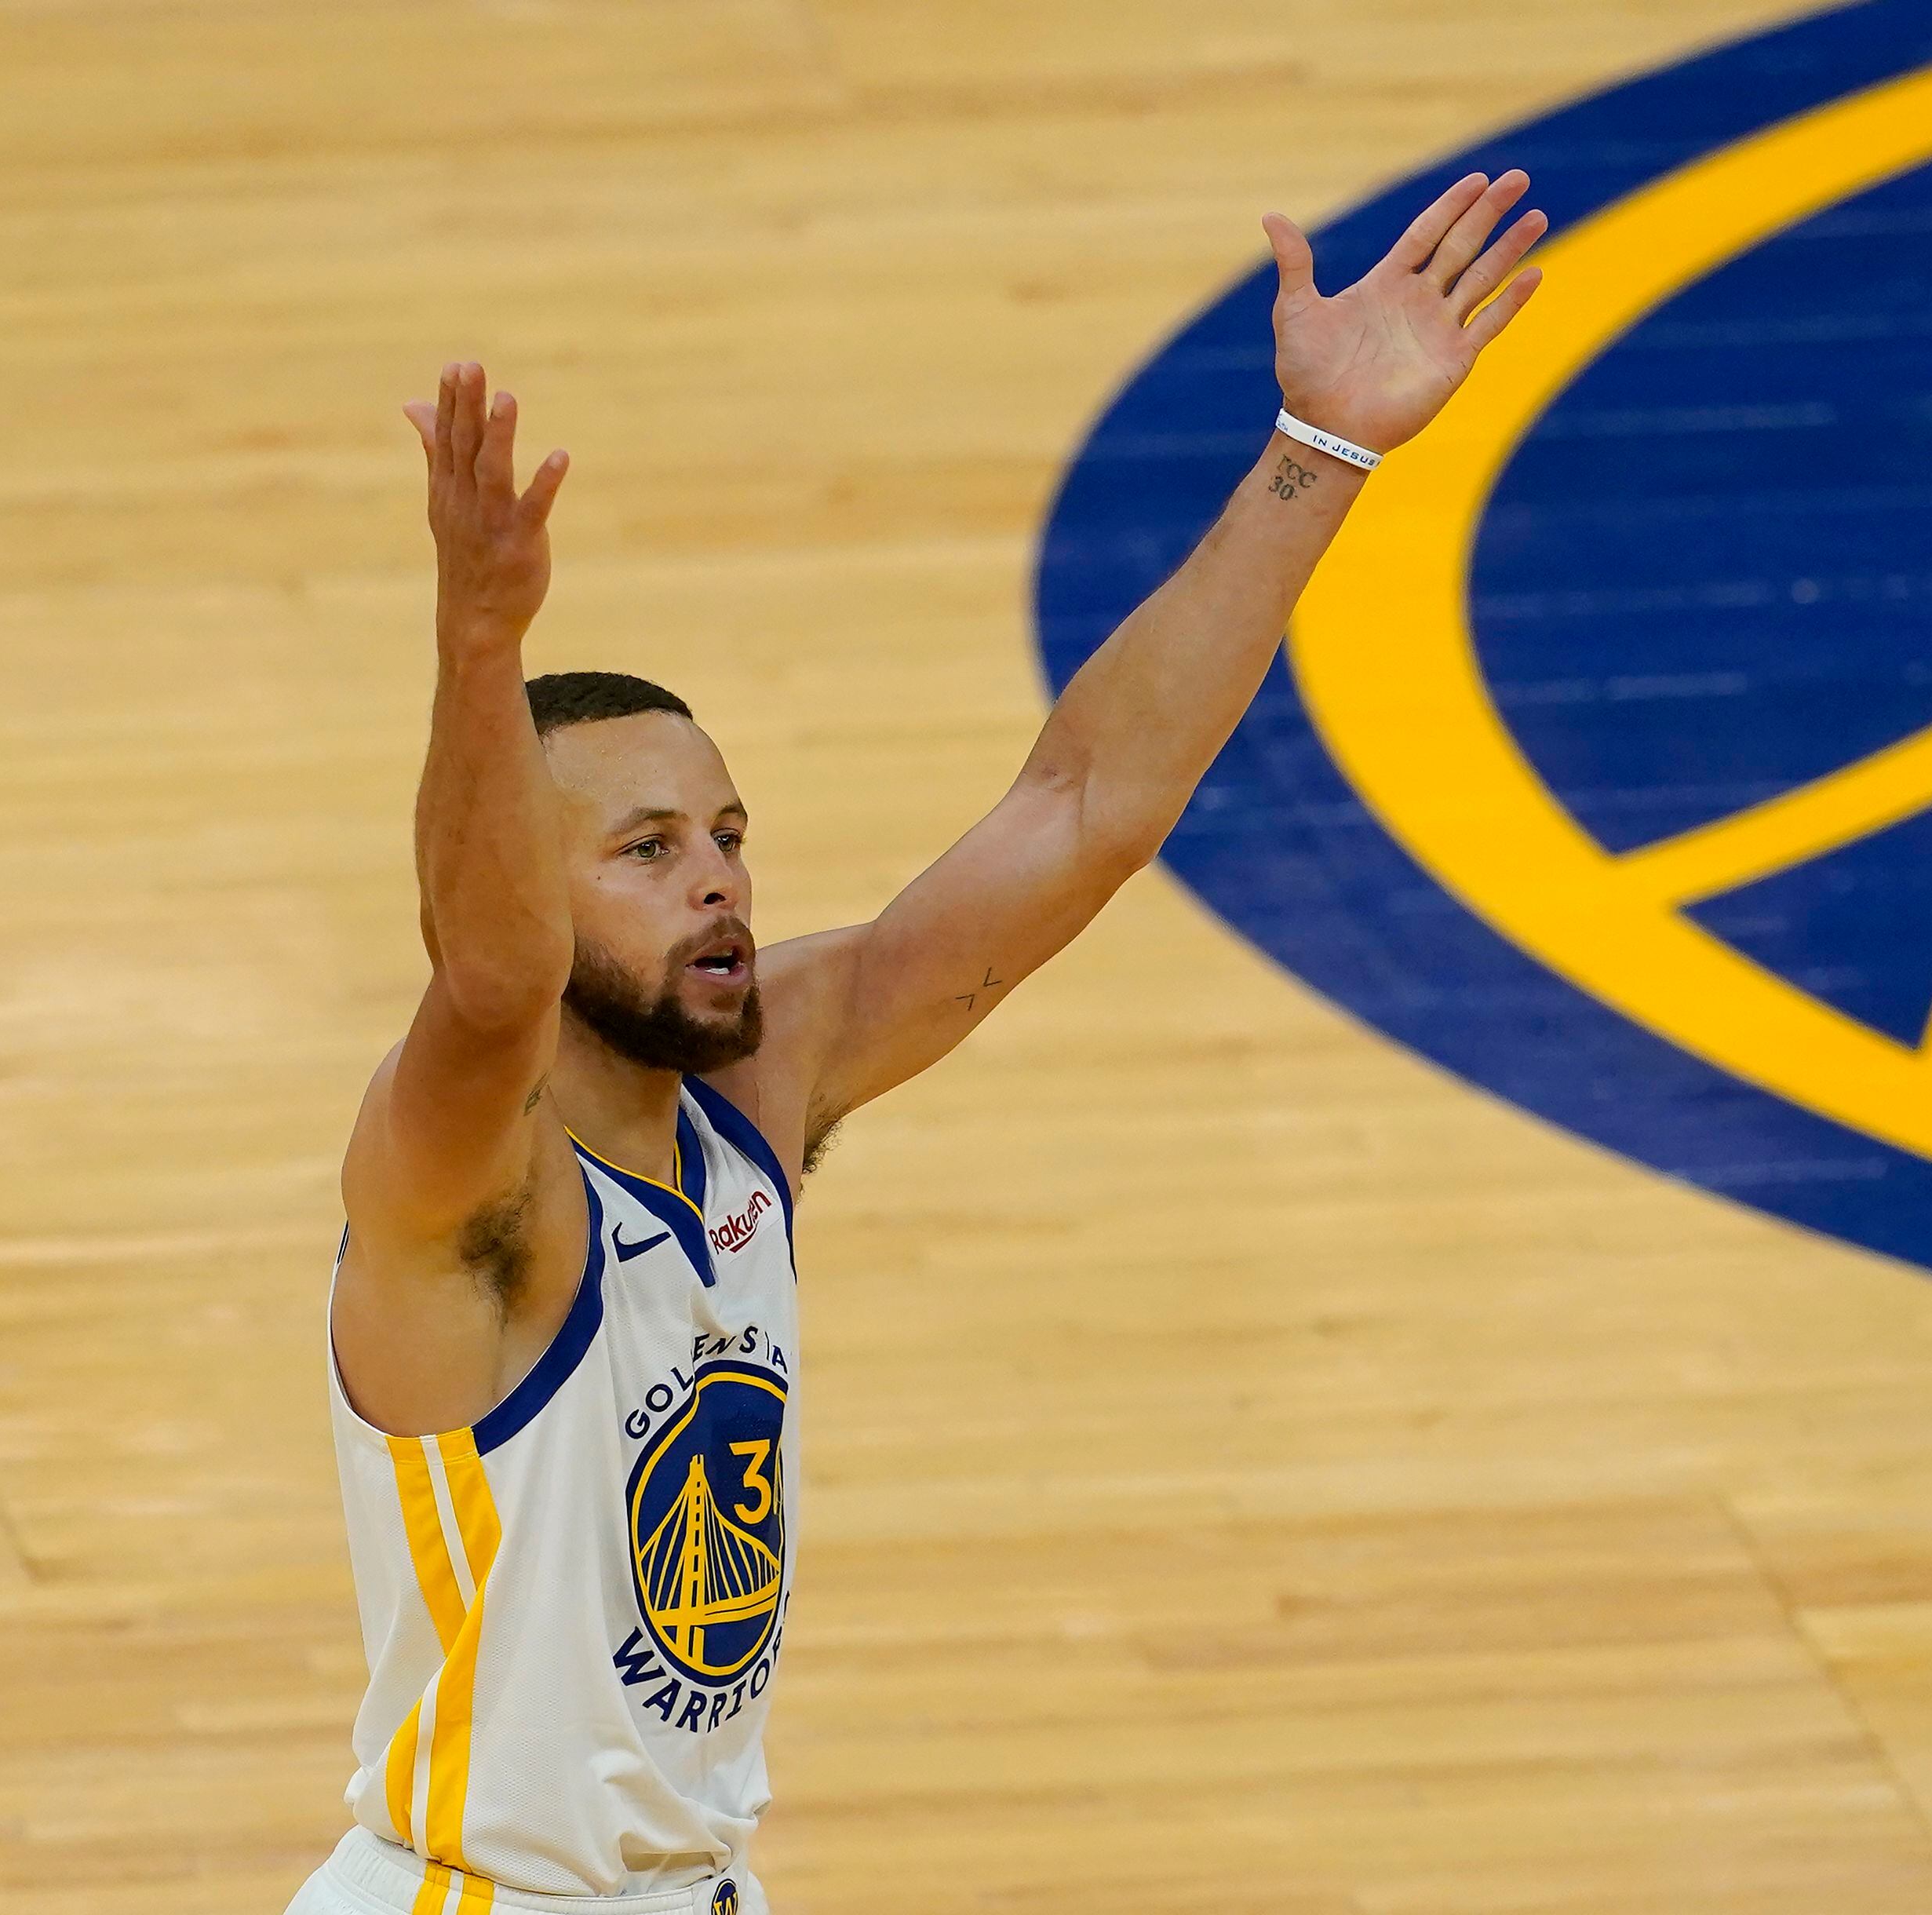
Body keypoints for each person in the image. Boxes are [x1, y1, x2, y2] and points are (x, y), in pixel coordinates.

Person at [287, 170, 1550, 1915]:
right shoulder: (459, 1191)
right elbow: (490, 977)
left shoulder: (759, 1088)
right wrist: (476, 648)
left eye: (727, 832)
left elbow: (1088, 806)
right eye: (644, 850)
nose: (720, 879)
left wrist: (1315, 454)